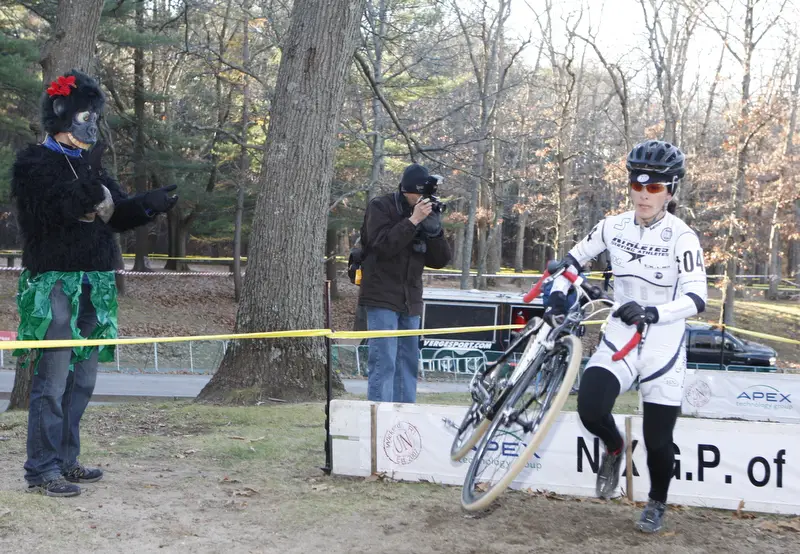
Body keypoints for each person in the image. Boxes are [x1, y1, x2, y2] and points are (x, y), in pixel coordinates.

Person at [11, 70, 178, 497]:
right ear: (62, 114)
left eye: (95, 116)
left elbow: (115, 213)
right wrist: (89, 181)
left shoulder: (89, 163)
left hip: (94, 284)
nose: (91, 124)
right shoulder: (34, 163)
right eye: (85, 114)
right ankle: (41, 469)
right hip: (55, 285)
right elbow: (52, 213)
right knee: (51, 382)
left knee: (81, 380)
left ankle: (67, 460)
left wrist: (148, 206)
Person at [544, 140, 707, 533]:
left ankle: (656, 502)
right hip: (620, 333)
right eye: (637, 185)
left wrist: (654, 312)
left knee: (658, 440)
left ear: (671, 191)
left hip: (664, 343)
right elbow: (569, 262)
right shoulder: (612, 226)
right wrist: (557, 296)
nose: (643, 194)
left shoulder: (682, 237)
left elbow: (697, 298)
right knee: (591, 409)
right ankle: (615, 448)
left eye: (654, 188)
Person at [357, 163, 451, 403]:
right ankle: (379, 420)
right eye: (417, 196)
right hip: (381, 297)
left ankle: (406, 422)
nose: (421, 201)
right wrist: (412, 221)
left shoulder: (425, 212)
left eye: (425, 197)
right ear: (406, 191)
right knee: (384, 362)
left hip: (411, 300)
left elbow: (440, 261)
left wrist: (434, 232)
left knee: (408, 363)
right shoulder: (380, 207)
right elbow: (381, 246)